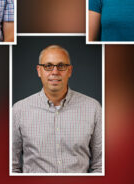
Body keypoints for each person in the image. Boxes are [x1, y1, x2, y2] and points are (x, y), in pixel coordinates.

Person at [12, 45, 102, 173]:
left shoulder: (93, 108)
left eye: (61, 66)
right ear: (39, 71)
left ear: (69, 71)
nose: (55, 72)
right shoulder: (19, 110)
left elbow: (101, 166)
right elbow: (11, 167)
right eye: (48, 66)